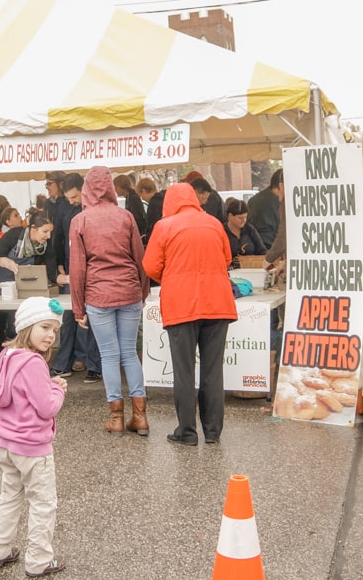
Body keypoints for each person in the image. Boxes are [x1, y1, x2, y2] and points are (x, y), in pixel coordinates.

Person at [142, 183, 237, 446]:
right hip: (218, 303)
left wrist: (173, 277)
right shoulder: (214, 223)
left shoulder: (164, 226)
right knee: (213, 370)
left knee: (184, 371)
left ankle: (187, 432)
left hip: (181, 305)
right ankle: (213, 431)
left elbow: (150, 267)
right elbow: (227, 259)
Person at [0, 296, 66, 578]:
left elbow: (13, 394)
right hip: (32, 448)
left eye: (54, 330)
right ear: (27, 326)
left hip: (6, 444)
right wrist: (58, 389)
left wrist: (47, 386)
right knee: (43, 503)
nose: (50, 335)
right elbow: (47, 407)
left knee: (10, 496)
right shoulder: (33, 362)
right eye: (44, 327)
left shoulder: (7, 356)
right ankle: (39, 560)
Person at [69, 167, 151, 436]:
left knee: (109, 355)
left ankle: (116, 418)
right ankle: (140, 417)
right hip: (129, 291)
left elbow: (78, 268)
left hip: (98, 294)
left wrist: (78, 307)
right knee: (129, 353)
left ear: (87, 189)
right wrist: (143, 291)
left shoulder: (80, 220)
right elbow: (140, 257)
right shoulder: (126, 216)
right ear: (111, 189)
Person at [47, 173, 100, 384]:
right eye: (68, 197)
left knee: (92, 318)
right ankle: (64, 362)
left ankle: (93, 365)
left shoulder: (94, 209)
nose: (71, 201)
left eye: (74, 196)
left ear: (84, 189)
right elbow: (57, 237)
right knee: (68, 316)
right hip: (70, 268)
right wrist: (58, 265)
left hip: (92, 269)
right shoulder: (64, 208)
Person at [0, 211, 53, 368]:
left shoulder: (46, 245)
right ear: (33, 228)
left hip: (23, 286)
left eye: (50, 232)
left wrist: (66, 278)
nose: (48, 236)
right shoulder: (14, 235)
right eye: (45, 231)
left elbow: (51, 273)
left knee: (16, 325)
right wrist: (4, 261)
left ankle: (17, 363)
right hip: (1, 284)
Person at [247, 168, 284, 249]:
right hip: (271, 247)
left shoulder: (254, 199)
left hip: (258, 246)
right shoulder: (279, 201)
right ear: (281, 185)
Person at [112, 174, 147, 243]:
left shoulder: (133, 198)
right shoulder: (130, 197)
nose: (115, 190)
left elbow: (138, 218)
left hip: (138, 234)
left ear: (122, 186)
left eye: (116, 187)